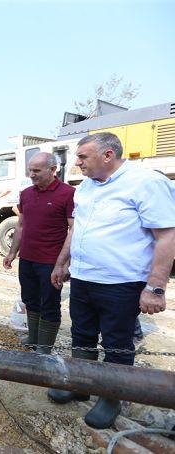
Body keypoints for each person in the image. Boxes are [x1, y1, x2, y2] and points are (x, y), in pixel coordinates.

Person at [49, 132, 175, 429]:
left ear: (108, 155)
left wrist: (156, 287)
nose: (77, 163)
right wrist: (62, 261)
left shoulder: (146, 183)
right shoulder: (85, 188)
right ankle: (80, 384)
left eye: (83, 157)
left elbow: (167, 235)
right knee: (82, 335)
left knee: (117, 342)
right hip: (83, 278)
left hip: (121, 283)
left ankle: (111, 396)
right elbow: (76, 228)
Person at [3, 152, 74, 356]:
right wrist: (12, 252)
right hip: (27, 259)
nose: (31, 175)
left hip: (51, 262)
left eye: (36, 170)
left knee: (49, 304)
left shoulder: (68, 193)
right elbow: (21, 226)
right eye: (30, 170)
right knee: (30, 300)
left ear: (53, 170)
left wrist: (64, 263)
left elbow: (73, 229)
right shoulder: (26, 194)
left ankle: (44, 348)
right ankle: (33, 338)